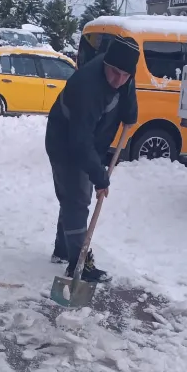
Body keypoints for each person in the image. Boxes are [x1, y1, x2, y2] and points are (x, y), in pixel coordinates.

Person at [45, 35, 139, 283]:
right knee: (76, 199)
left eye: (125, 75)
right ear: (105, 64)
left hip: (91, 142)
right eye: (115, 72)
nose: (118, 80)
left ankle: (63, 249)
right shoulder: (87, 86)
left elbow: (128, 89)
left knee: (72, 197)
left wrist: (131, 113)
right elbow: (79, 141)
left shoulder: (123, 72)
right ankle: (79, 263)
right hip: (65, 142)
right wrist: (100, 177)